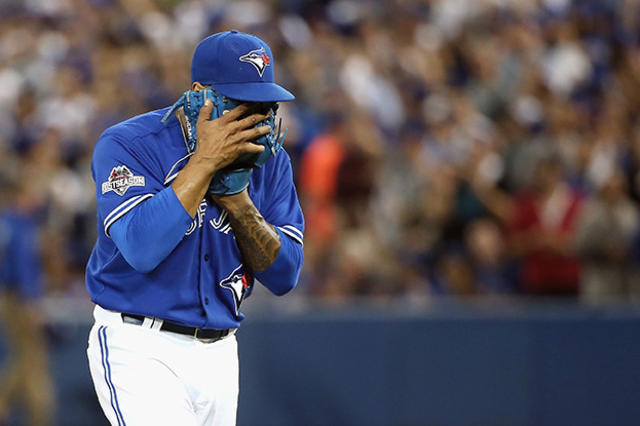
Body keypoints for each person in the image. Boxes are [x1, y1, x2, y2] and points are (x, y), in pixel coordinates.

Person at [85, 30, 304, 426]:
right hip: (140, 343)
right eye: (239, 103)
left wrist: (239, 202)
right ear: (199, 92)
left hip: (220, 353)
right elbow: (141, 248)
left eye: (263, 104)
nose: (254, 118)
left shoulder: (271, 161)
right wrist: (203, 165)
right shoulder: (130, 144)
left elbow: (285, 275)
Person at [0, 171, 54, 426]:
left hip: (9, 297)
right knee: (31, 357)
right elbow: (23, 265)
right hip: (20, 299)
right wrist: (32, 301)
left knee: (29, 358)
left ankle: (37, 414)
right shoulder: (20, 224)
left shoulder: (6, 223)